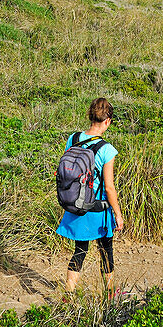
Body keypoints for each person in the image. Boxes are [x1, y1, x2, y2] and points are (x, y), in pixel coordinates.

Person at [58, 98, 126, 294]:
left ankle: (68, 296)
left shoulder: (73, 138)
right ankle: (111, 295)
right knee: (106, 251)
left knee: (80, 251)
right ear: (107, 121)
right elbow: (110, 187)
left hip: (76, 205)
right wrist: (118, 214)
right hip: (97, 209)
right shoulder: (106, 149)